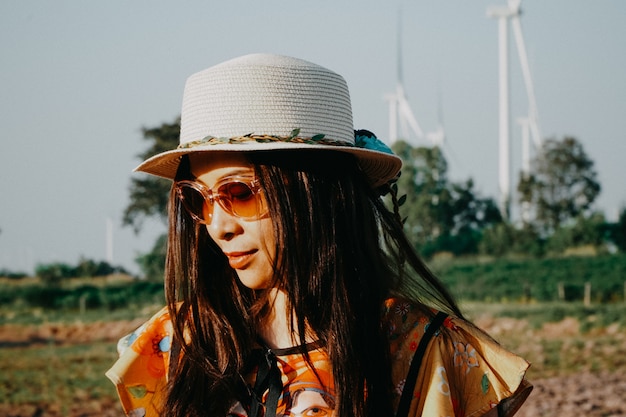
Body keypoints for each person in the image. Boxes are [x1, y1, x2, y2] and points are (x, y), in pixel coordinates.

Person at [107, 53, 532, 417]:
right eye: (198, 199)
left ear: (313, 192)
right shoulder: (177, 341)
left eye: (238, 193)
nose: (219, 226)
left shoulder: (416, 348)